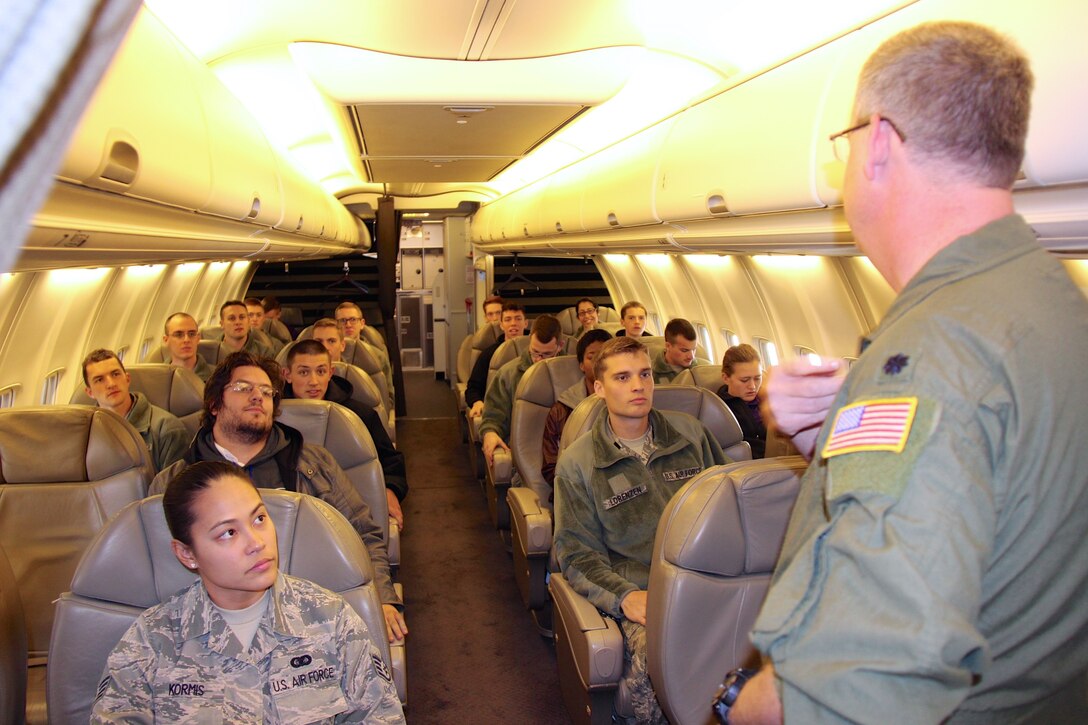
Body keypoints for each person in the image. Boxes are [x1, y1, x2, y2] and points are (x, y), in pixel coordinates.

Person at [729, 22, 1088, 725]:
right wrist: (828, 442)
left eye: (849, 144)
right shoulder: (1052, 299)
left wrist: (737, 708)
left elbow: (862, 684)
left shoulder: (931, 354)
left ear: (881, 142)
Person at [91, 461, 405, 723]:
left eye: (258, 519)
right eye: (228, 533)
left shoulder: (332, 621)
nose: (257, 542)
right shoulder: (150, 643)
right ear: (187, 554)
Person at [150, 352, 407, 642]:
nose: (258, 397)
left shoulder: (315, 464)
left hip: (315, 617)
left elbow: (364, 534)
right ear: (213, 404)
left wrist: (380, 599)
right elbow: (161, 570)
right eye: (244, 388)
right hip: (214, 628)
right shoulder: (170, 484)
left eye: (266, 392)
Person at [554, 336, 727, 723]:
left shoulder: (692, 436)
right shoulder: (579, 463)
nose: (638, 386)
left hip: (713, 582)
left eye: (645, 374)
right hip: (644, 594)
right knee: (666, 653)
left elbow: (732, 510)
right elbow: (576, 554)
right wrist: (624, 596)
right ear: (598, 388)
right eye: (622, 377)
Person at [282, 339, 408, 531]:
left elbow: (391, 462)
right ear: (287, 375)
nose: (313, 381)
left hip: (353, 506)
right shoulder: (272, 418)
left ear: (331, 373)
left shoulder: (360, 415)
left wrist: (390, 490)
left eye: (321, 371)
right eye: (303, 372)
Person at [82, 348, 189, 472]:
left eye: (115, 374)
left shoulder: (167, 429)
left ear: (127, 379)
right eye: (99, 380)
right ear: (89, 392)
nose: (111, 384)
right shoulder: (86, 434)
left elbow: (174, 488)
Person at [480, 315, 564, 466]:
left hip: (563, 450)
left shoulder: (571, 372)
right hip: (524, 452)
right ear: (529, 341)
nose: (539, 360)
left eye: (546, 355)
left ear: (560, 346)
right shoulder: (508, 374)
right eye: (535, 352)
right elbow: (493, 417)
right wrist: (490, 433)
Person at [541, 328, 611, 490]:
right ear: (581, 365)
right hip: (577, 489)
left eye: (605, 356)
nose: (599, 363)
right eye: (592, 357)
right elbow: (550, 466)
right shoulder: (562, 409)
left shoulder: (629, 405)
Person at [465, 301, 527, 419]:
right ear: (501, 325)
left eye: (518, 319)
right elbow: (473, 388)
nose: (513, 323)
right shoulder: (489, 353)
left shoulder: (537, 350)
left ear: (526, 323)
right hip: (500, 410)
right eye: (508, 320)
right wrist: (477, 402)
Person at [716, 344, 766, 459]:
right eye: (744, 380)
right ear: (725, 378)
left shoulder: (768, 401)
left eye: (757, 378)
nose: (752, 386)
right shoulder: (718, 410)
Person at [651, 318, 708, 383]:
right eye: (684, 350)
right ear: (668, 346)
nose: (691, 356)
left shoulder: (705, 369)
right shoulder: (650, 374)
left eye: (694, 349)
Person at [161, 311, 214, 381]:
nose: (186, 340)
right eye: (178, 335)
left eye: (191, 334)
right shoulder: (156, 377)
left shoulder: (218, 376)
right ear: (166, 340)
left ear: (198, 338)